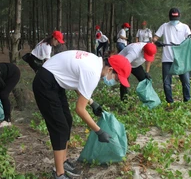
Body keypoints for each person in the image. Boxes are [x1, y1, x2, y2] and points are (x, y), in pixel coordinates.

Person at [32, 50, 131, 179]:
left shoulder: (95, 62)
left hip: (55, 80)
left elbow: (76, 82)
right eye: (117, 79)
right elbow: (79, 109)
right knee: (60, 127)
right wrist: (99, 131)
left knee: (67, 120)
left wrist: (92, 103)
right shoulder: (93, 72)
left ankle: (63, 161)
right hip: (45, 83)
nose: (115, 82)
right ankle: (59, 174)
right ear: (110, 69)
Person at [153, 8, 191, 104]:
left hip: (181, 58)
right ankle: (170, 101)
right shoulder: (164, 26)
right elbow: (154, 37)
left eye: (176, 18)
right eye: (173, 18)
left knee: (186, 81)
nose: (174, 21)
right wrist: (157, 42)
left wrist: (189, 39)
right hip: (167, 58)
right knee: (166, 82)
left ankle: (187, 100)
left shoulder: (184, 27)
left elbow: (190, 38)